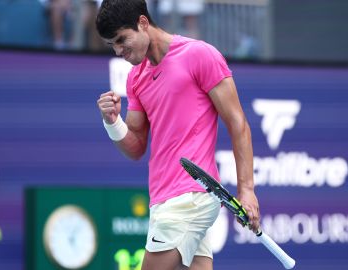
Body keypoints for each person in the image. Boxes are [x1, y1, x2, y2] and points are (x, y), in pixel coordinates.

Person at [95, 1, 260, 269]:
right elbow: (136, 146)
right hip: (164, 199)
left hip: (189, 199)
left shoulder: (200, 55)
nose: (118, 50)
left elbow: (237, 123)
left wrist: (247, 190)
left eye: (121, 40)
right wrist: (112, 122)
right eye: (111, 44)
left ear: (143, 23)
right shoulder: (136, 78)